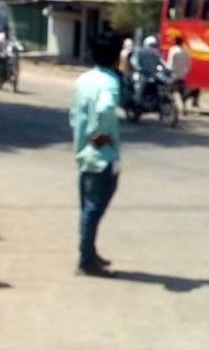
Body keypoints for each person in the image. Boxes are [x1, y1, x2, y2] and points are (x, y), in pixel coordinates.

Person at [69, 32, 123, 277]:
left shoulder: (83, 80)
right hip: (101, 156)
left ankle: (89, 252)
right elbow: (105, 107)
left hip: (83, 152)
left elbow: (74, 114)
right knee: (93, 209)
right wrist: (97, 133)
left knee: (87, 207)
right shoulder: (110, 82)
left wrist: (86, 134)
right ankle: (86, 259)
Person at [129, 36, 165, 107]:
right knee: (138, 89)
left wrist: (139, 68)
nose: (153, 47)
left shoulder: (141, 51)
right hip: (146, 75)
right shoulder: (154, 52)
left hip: (147, 75)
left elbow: (133, 61)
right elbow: (162, 62)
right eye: (153, 45)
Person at [167, 36, 200, 113]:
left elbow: (170, 63)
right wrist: (185, 72)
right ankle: (183, 107)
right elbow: (189, 64)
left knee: (171, 91)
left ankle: (174, 108)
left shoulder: (173, 50)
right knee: (181, 92)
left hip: (174, 74)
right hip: (182, 75)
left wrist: (169, 71)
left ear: (175, 42)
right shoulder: (185, 52)